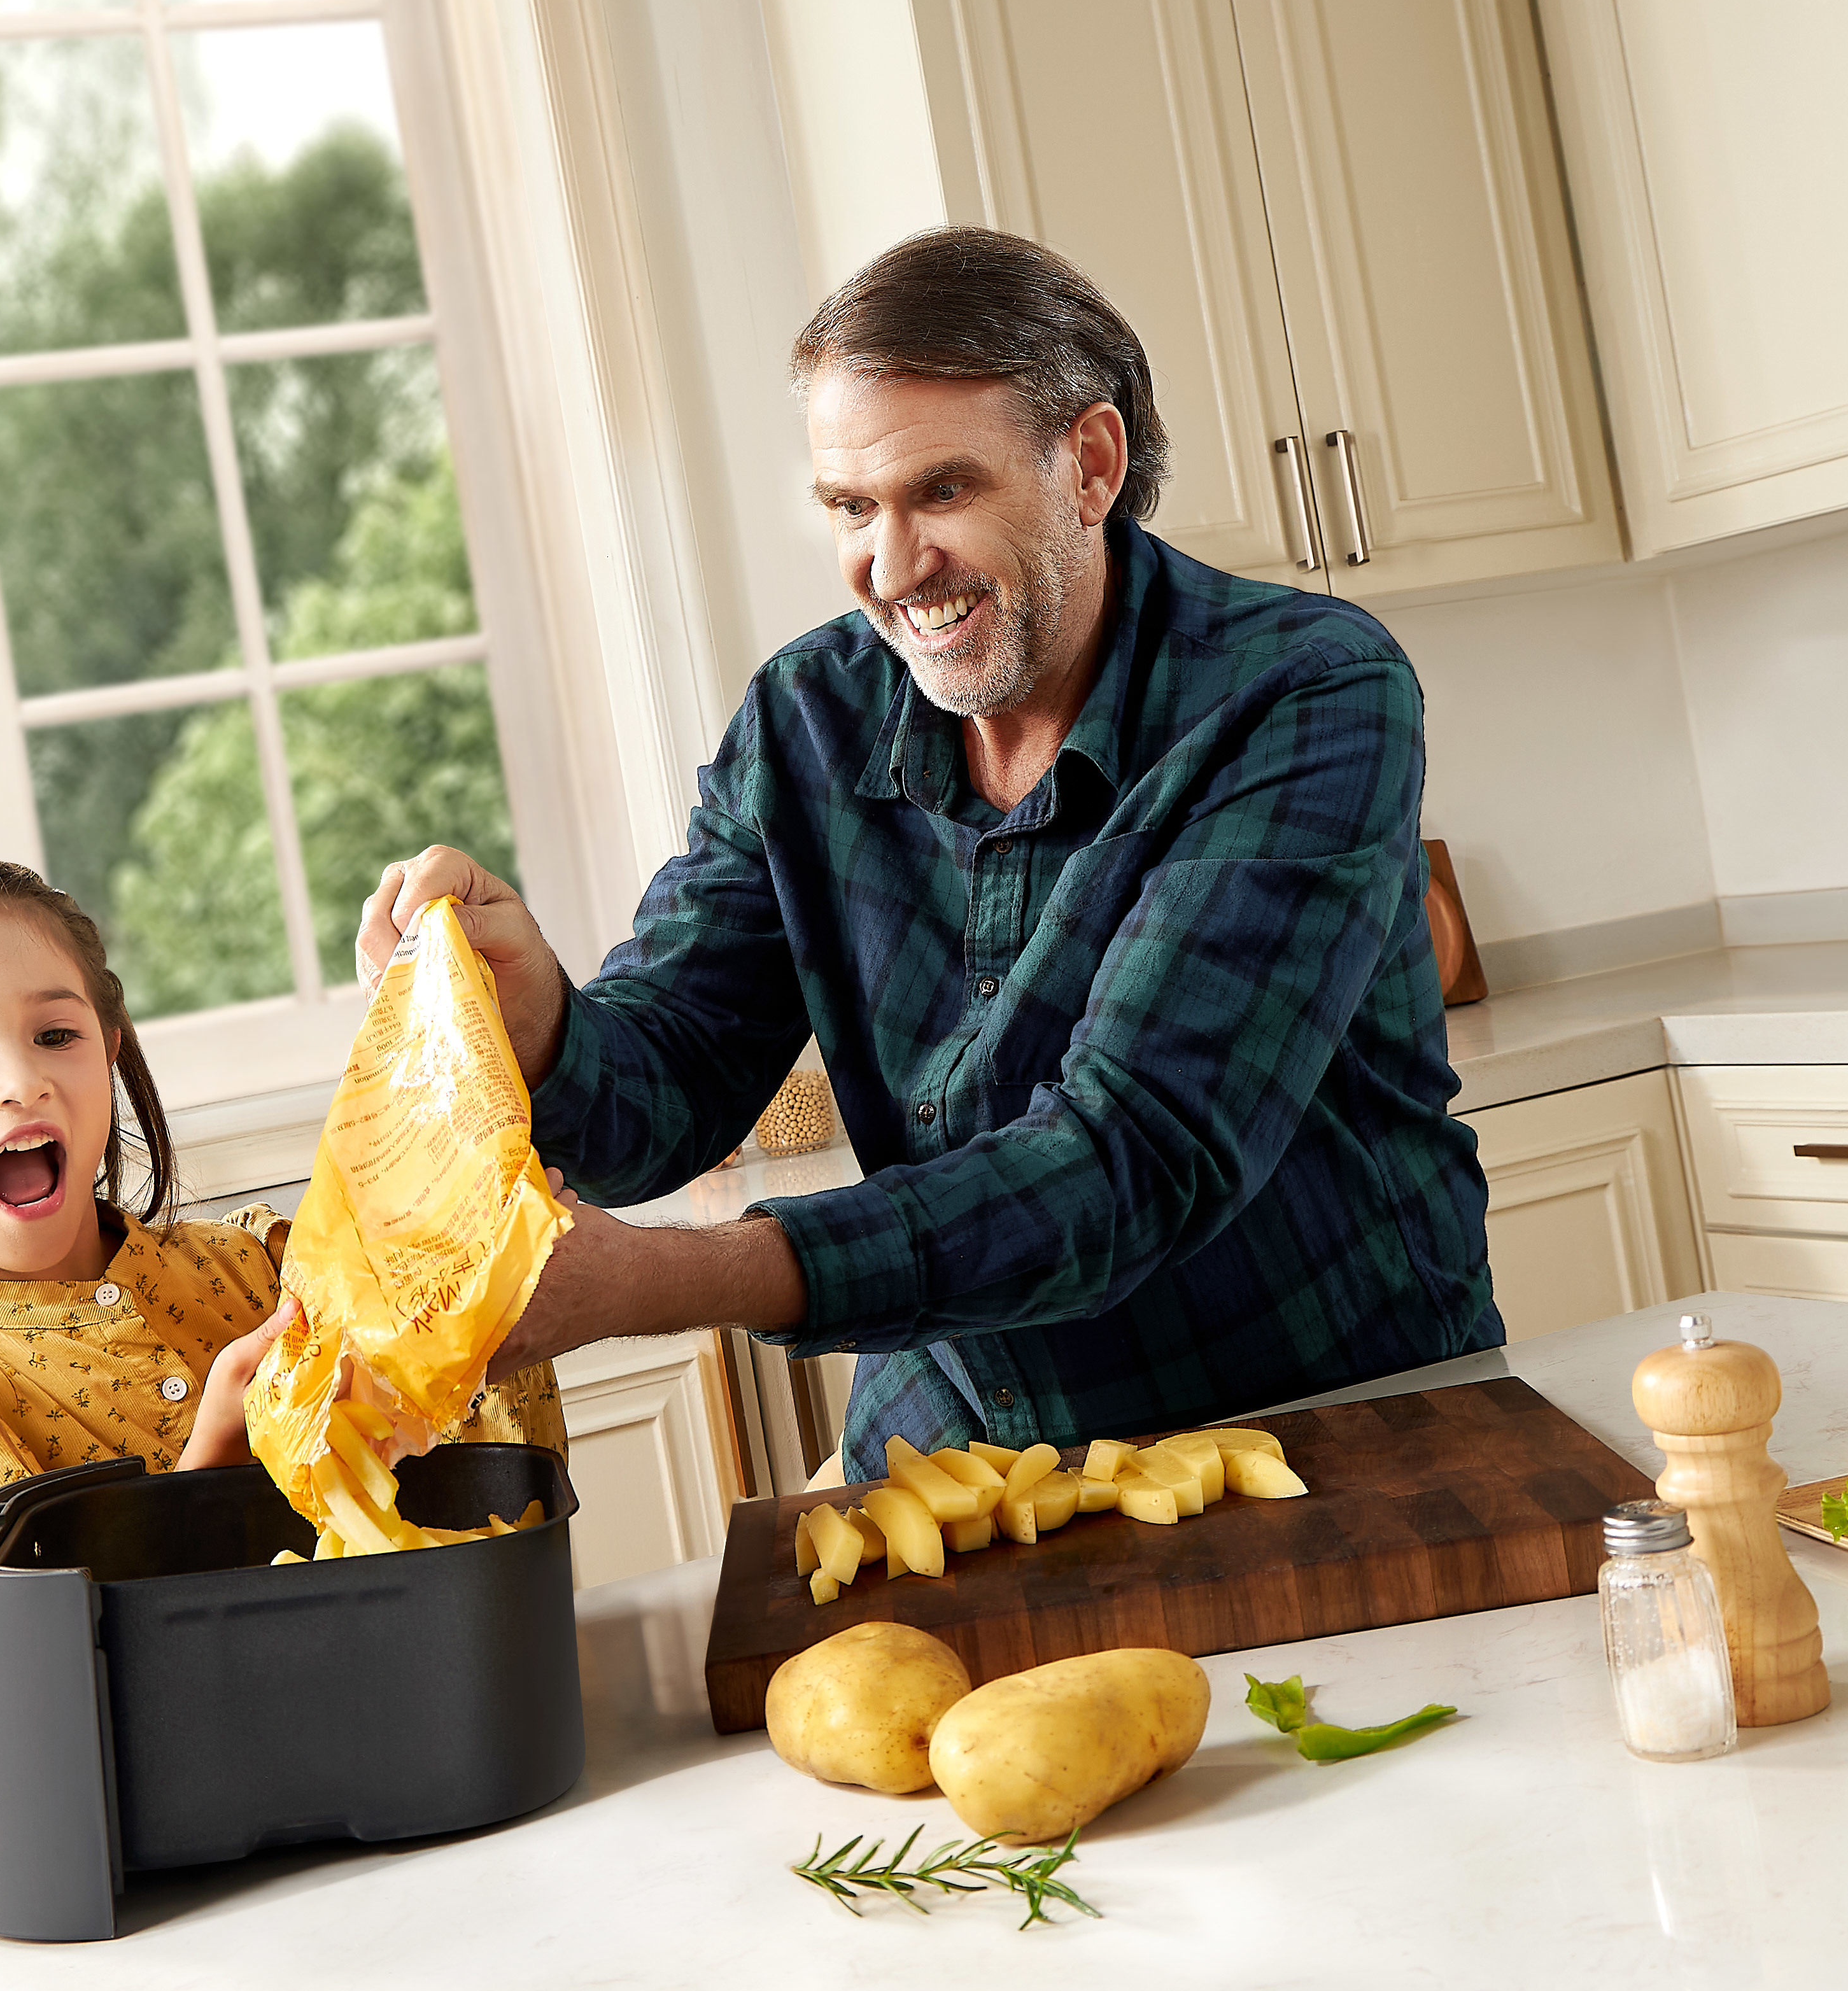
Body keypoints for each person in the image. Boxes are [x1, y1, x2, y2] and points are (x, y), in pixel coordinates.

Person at [361, 226, 1497, 1468]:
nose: (892, 567)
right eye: (852, 507)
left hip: (1318, 1432)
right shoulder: (806, 719)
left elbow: (1131, 1160)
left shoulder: (1304, 693)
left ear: (1091, 466)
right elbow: (667, 1087)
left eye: (942, 492)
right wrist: (539, 1028)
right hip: (955, 1448)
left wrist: (656, 1280)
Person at [0, 854, 557, 1685]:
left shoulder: (262, 1267)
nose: (23, 1082)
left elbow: (500, 1524)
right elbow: (33, 1691)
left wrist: (479, 1266)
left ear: (108, 1049)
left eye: (56, 1036)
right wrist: (215, 1466)